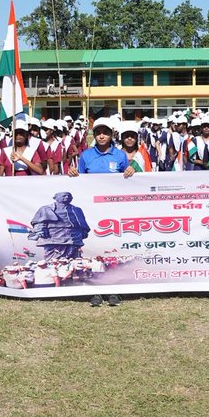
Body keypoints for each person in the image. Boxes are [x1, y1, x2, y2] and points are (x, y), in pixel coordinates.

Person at [69, 117, 131, 306]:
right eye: (98, 132)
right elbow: (80, 182)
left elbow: (127, 182)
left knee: (114, 250)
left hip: (114, 211)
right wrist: (73, 174)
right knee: (93, 249)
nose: (101, 136)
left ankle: (115, 289)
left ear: (111, 135)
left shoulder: (120, 156)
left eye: (105, 132)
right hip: (92, 210)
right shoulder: (86, 156)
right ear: (94, 135)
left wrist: (130, 172)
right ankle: (94, 290)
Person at [29, 191, 91, 260]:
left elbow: (81, 222)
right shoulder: (46, 208)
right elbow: (39, 222)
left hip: (73, 235)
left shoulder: (77, 209)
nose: (67, 197)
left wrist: (83, 231)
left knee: (72, 253)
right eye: (64, 196)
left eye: (69, 196)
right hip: (53, 235)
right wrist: (40, 230)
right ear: (56, 198)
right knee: (54, 255)